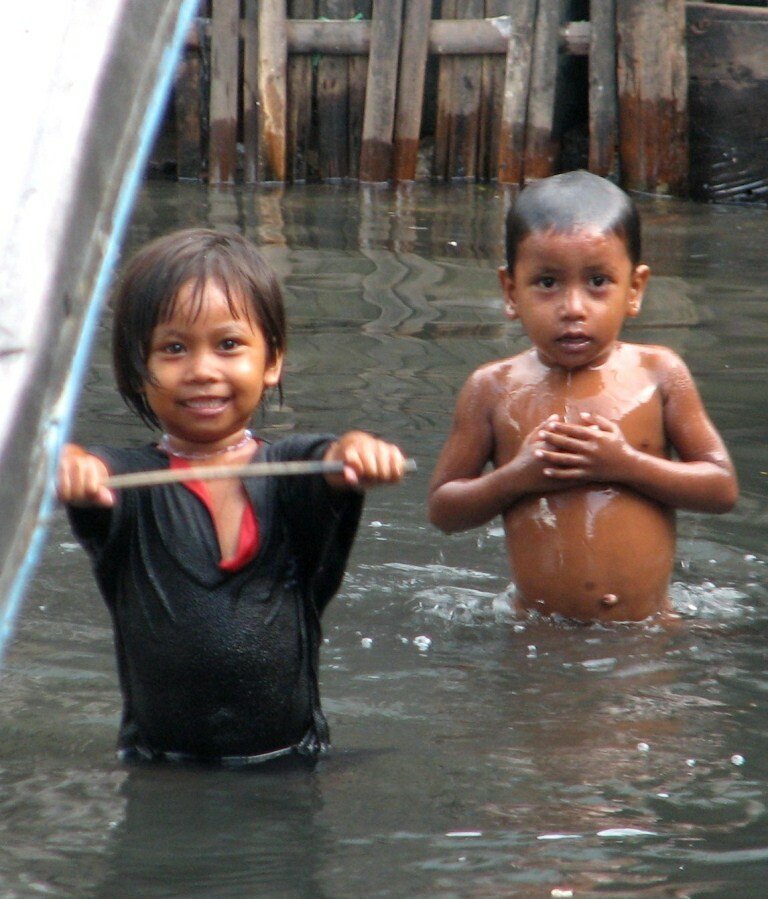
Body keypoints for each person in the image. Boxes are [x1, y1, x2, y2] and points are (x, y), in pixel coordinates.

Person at [58, 228, 406, 765]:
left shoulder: (294, 476)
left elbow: (336, 457)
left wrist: (362, 454)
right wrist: (70, 468)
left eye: (228, 345)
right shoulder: (122, 482)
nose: (202, 370)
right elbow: (85, 466)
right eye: (173, 348)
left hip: (291, 763)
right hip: (159, 770)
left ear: (271, 363)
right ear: (137, 370)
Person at [428, 171, 738, 623]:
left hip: (648, 631)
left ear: (634, 289)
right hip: (538, 635)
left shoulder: (659, 373)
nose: (573, 307)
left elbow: (721, 487)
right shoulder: (492, 388)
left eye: (598, 281)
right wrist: (515, 477)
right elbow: (443, 510)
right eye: (547, 283)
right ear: (511, 291)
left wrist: (626, 464)